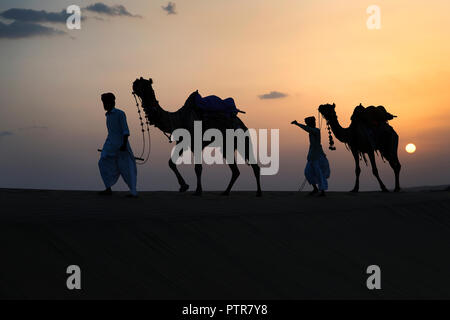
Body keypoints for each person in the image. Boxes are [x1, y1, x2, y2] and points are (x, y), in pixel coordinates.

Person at [98, 92, 138, 197]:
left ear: (112, 102)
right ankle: (108, 188)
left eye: (105, 103)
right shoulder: (108, 116)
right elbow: (112, 132)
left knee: (127, 167)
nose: (104, 105)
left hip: (121, 146)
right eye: (103, 103)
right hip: (110, 145)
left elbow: (125, 130)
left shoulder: (120, 114)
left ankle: (133, 192)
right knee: (103, 163)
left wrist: (124, 145)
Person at [291, 116, 330, 196]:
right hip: (312, 157)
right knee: (308, 172)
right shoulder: (311, 132)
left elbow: (307, 129)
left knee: (319, 174)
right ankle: (315, 189)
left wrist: (297, 124)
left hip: (318, 157)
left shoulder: (316, 131)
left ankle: (322, 191)